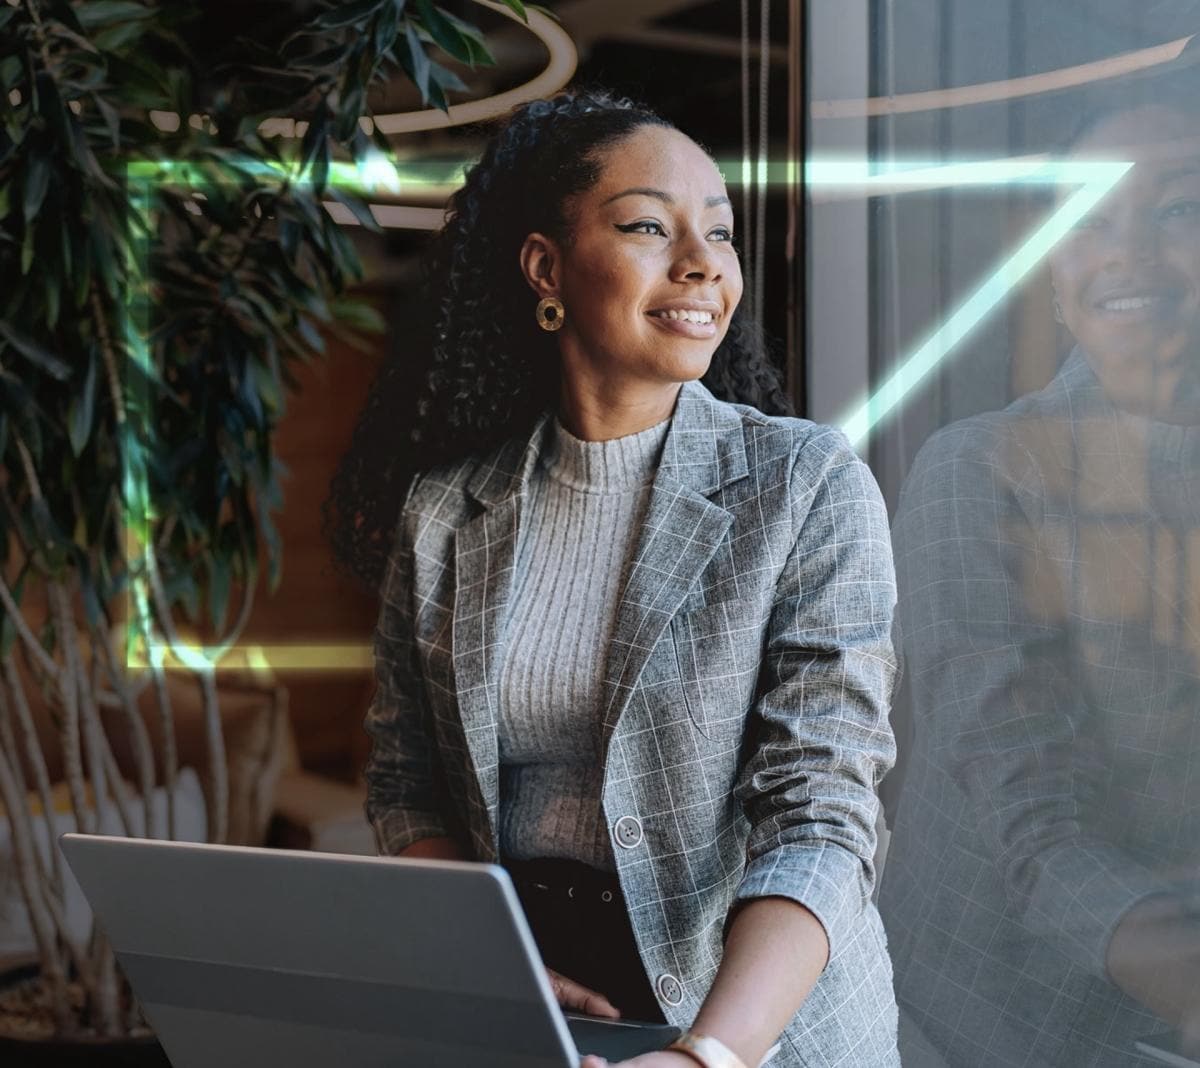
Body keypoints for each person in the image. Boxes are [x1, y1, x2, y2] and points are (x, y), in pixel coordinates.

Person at [327, 88, 899, 1068]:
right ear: (546, 268)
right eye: (649, 225)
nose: (702, 265)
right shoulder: (446, 509)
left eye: (719, 234)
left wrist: (705, 1056)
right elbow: (407, 783)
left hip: (754, 1020)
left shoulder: (805, 485)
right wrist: (488, 963)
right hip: (537, 1002)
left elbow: (822, 815)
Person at [879, 54, 1200, 1067]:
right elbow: (1037, 838)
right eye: (1092, 221)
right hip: (994, 1030)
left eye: (1179, 210)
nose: (1130, 256)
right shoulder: (981, 471)